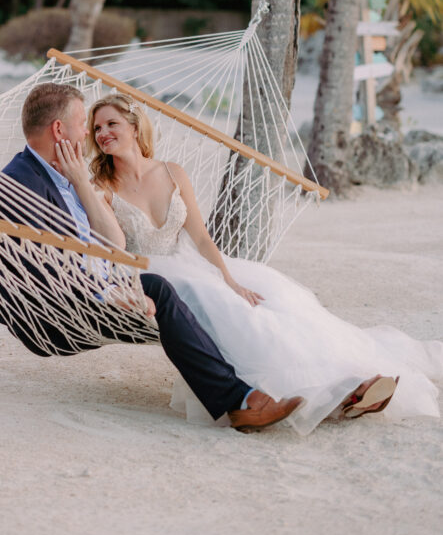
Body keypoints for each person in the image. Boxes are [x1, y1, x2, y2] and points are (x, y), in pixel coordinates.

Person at [79, 92, 443, 435]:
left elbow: (202, 238)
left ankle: (350, 381)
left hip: (192, 264)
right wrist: (90, 191)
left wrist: (228, 277)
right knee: (239, 317)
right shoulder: (103, 186)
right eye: (97, 128)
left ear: (134, 125)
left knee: (277, 300)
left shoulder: (173, 172)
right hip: (151, 274)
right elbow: (116, 247)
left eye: (111, 124)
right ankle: (316, 394)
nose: (103, 133)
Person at [0, 83, 303, 433]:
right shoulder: (17, 183)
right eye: (84, 125)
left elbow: (113, 239)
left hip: (106, 284)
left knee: (246, 297)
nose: (89, 135)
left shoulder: (65, 176)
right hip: (61, 311)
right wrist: (109, 292)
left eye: (107, 125)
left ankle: (292, 383)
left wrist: (79, 182)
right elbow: (37, 269)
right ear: (59, 130)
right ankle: (239, 402)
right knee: (167, 291)